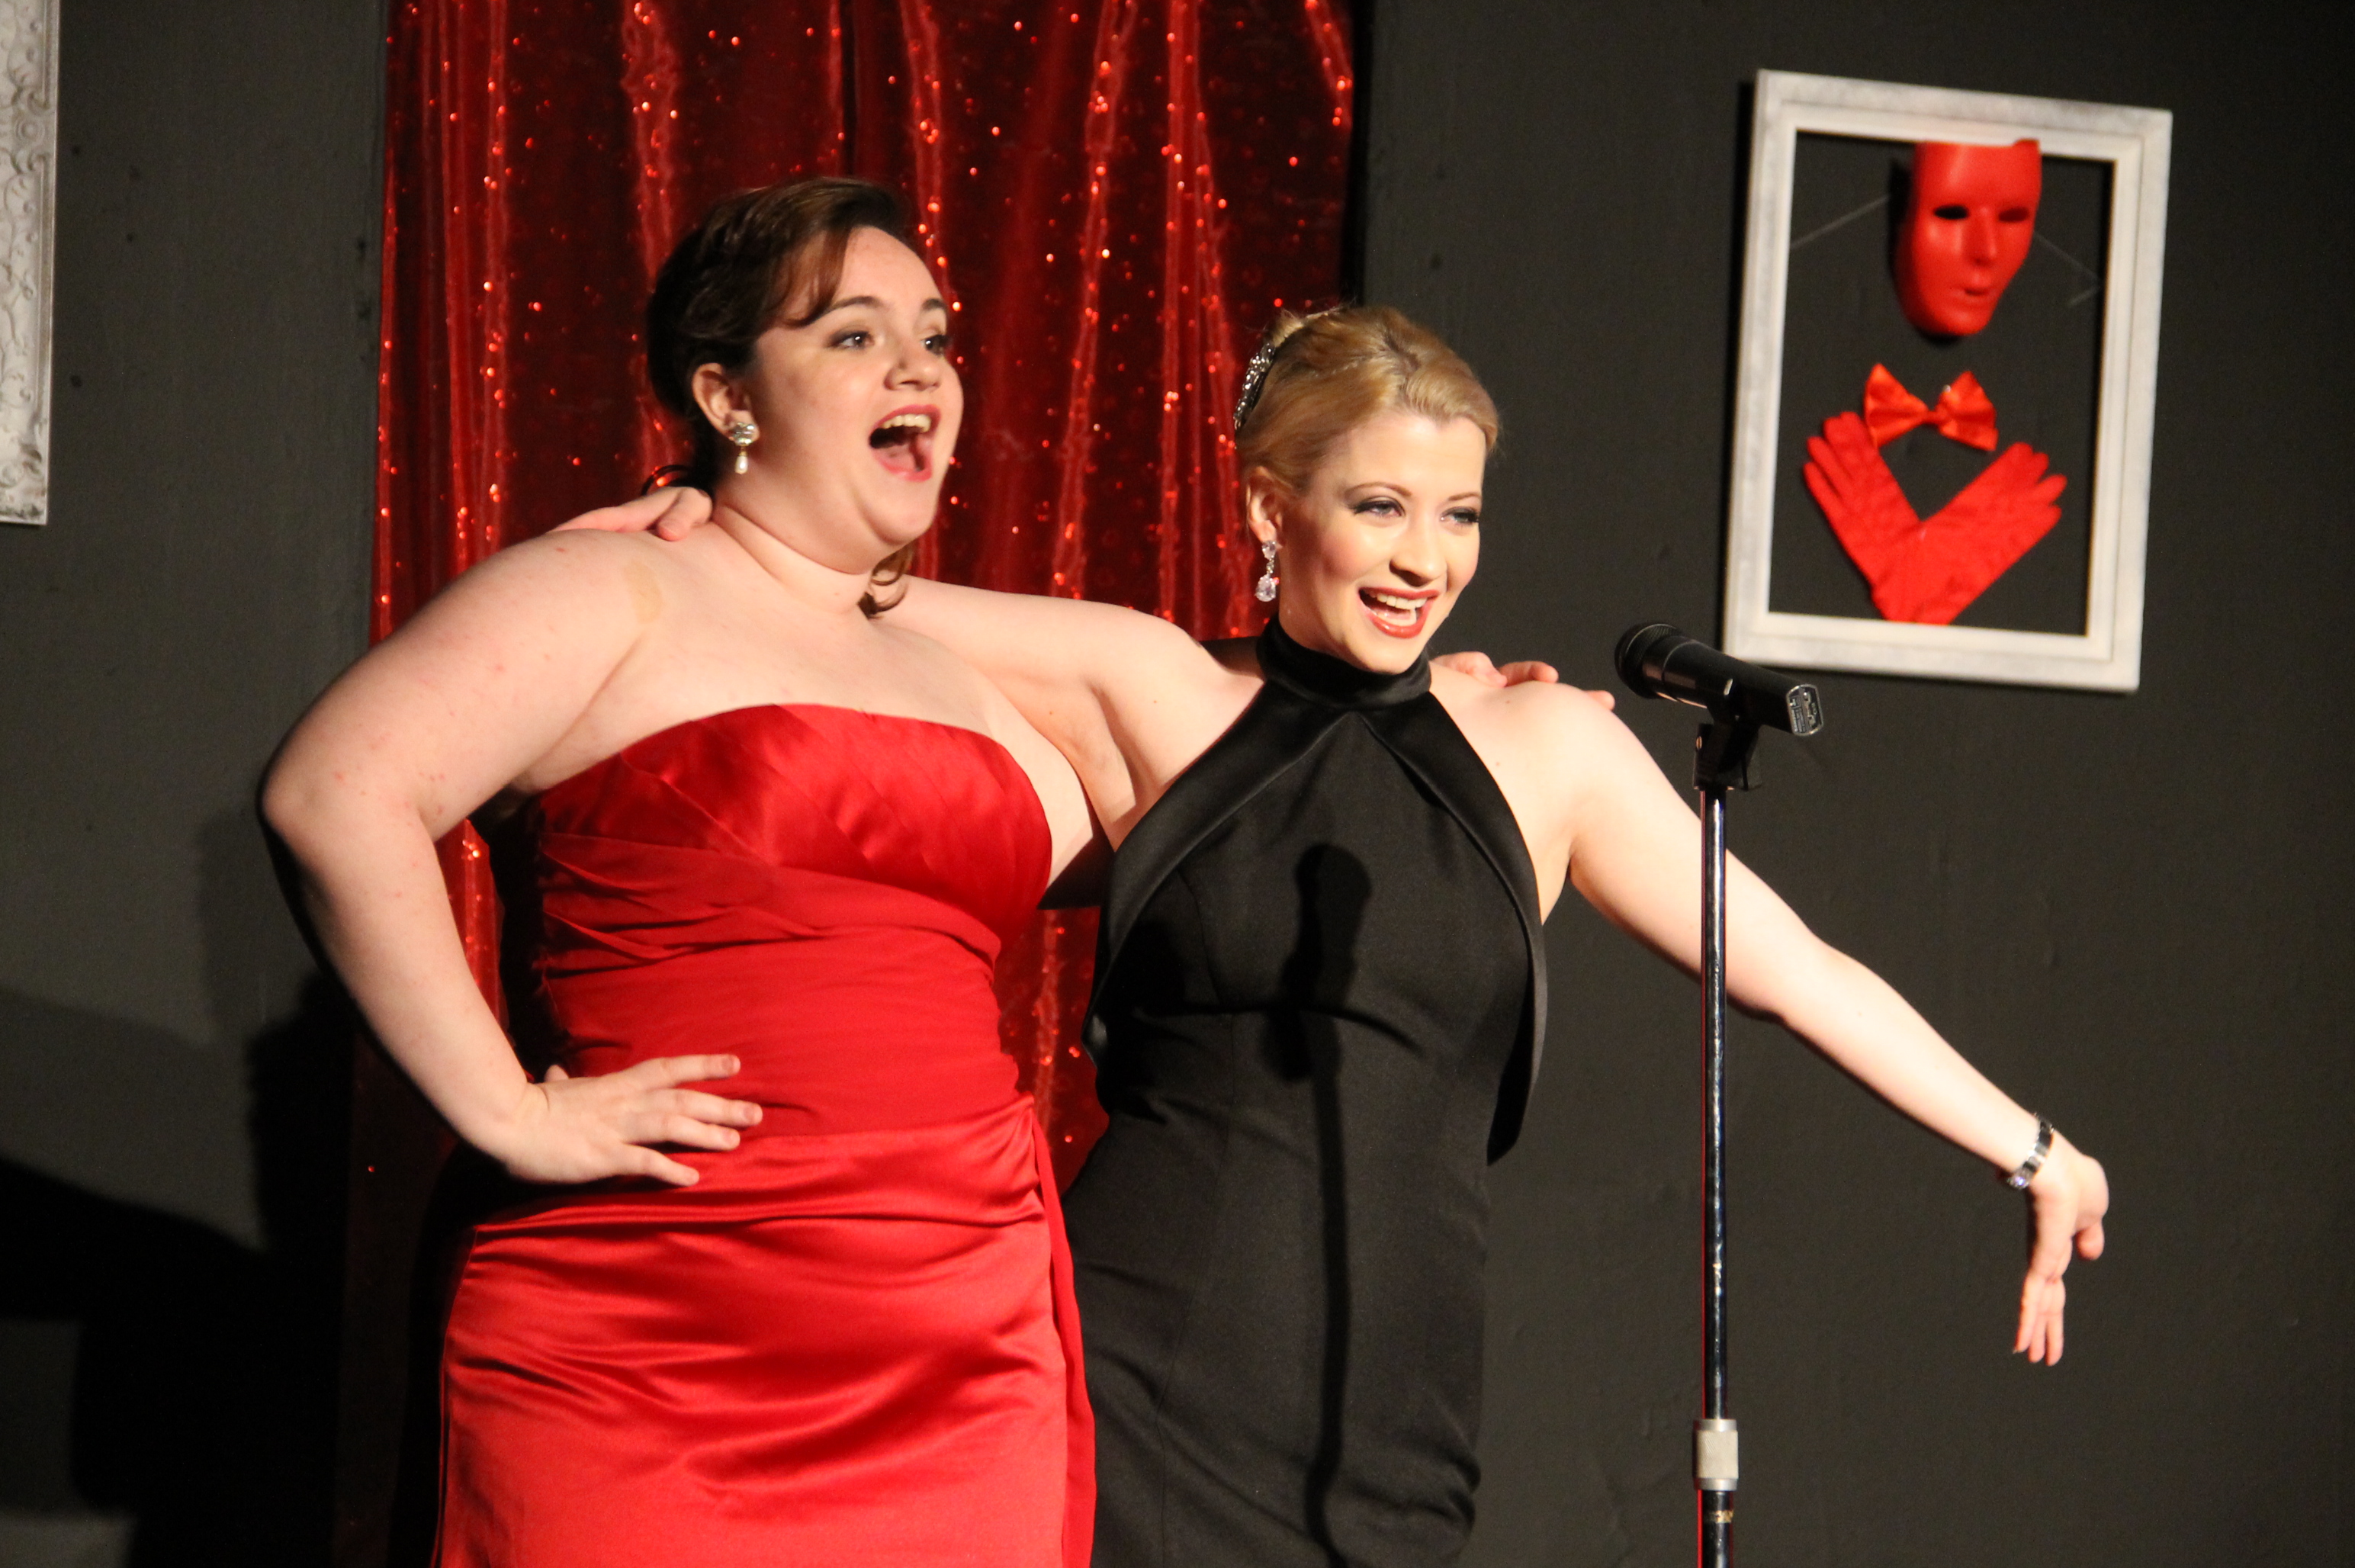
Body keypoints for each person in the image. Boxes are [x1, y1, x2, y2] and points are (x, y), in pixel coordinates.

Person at [592, 301, 2109, 1567]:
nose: (1423, 558)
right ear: (1270, 507)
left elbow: (1799, 973)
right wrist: (676, 518)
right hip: (1134, 1382)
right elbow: (833, 589)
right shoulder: (1156, 687)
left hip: (1396, 1425)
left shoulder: (1548, 749)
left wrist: (2034, 1151)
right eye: (1378, 505)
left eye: (1457, 514)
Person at [264, 178, 1101, 1566]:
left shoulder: (957, 675)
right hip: (652, 1335)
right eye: (852, 335)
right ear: (727, 396)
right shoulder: (611, 588)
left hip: (960, 1340)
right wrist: (509, 1112)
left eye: (936, 337)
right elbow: (334, 795)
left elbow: (1207, 752)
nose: (919, 370)